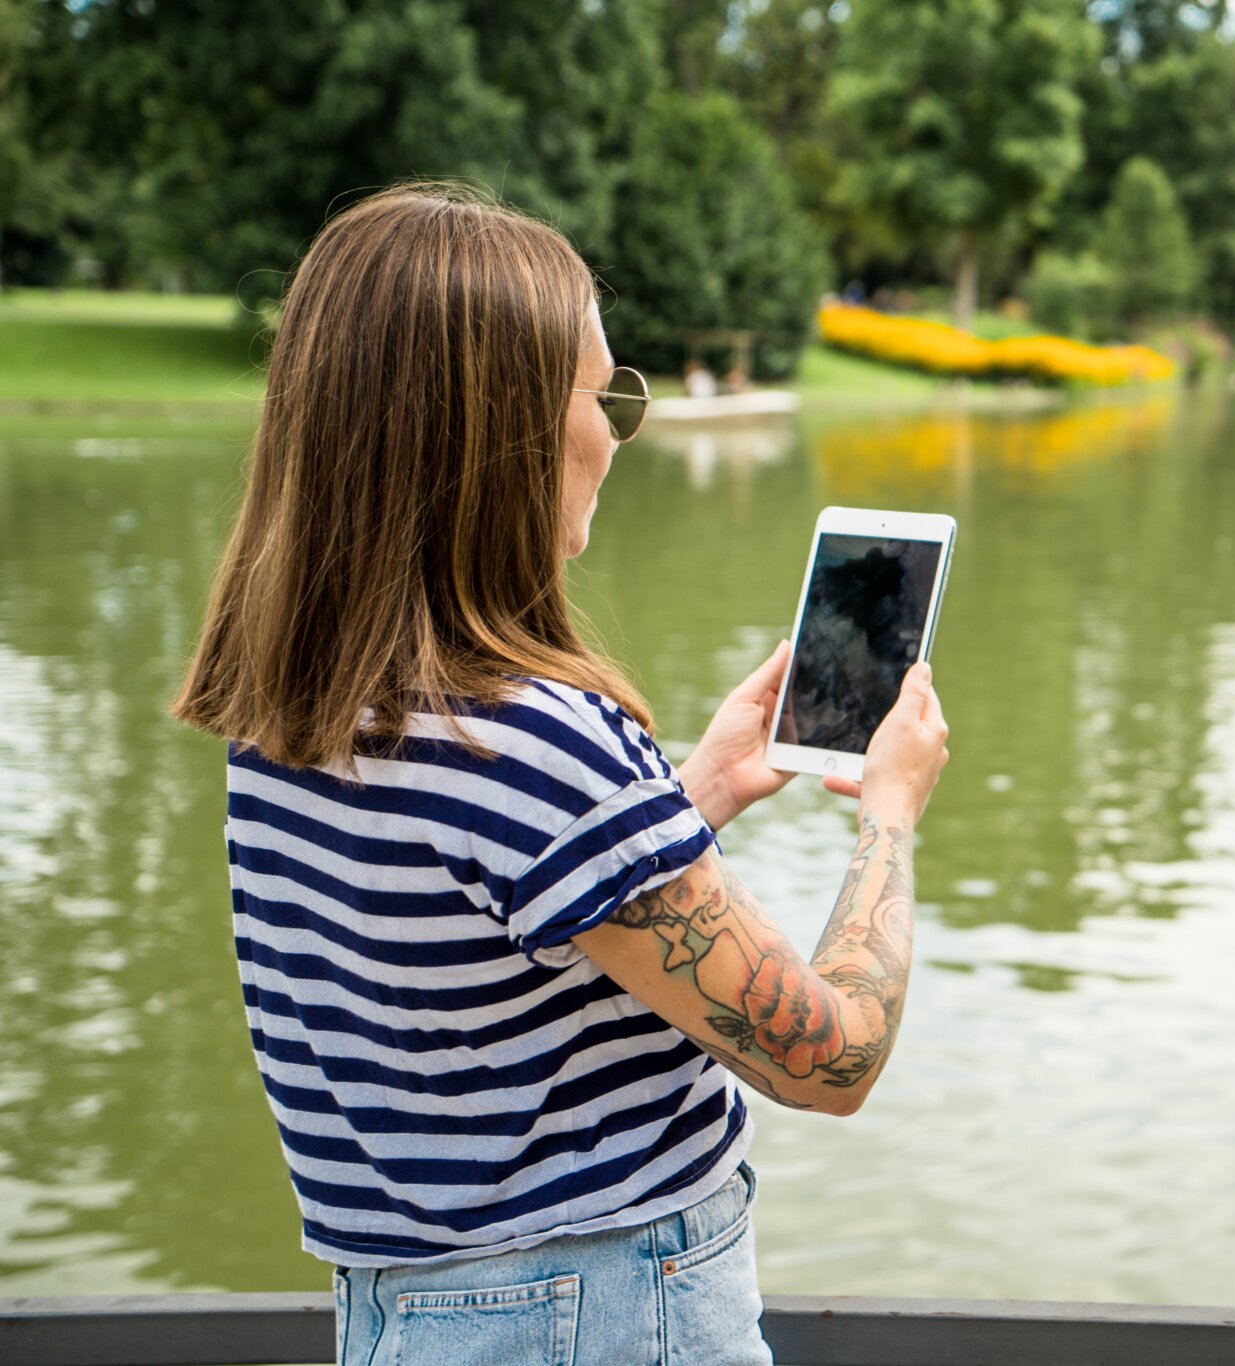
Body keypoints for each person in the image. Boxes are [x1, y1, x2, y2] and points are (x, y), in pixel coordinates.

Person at [169, 182, 950, 1365]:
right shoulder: (532, 737)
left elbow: (472, 948)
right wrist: (889, 814)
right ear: (505, 431)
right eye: (606, 396)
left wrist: (693, 796)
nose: (617, 432)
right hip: (596, 1317)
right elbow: (828, 1057)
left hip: (403, 1314)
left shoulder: (292, 707)